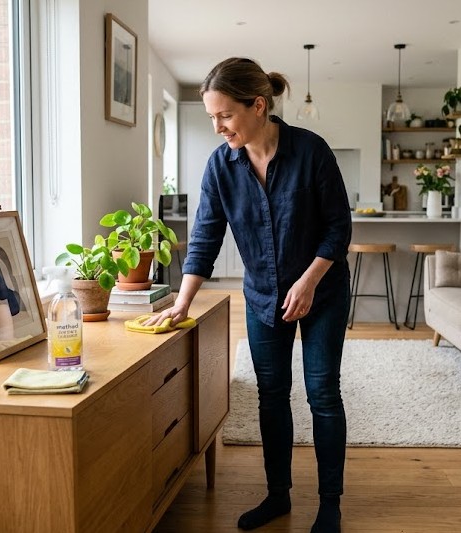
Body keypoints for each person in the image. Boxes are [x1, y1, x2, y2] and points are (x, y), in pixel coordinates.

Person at [145, 57, 352, 532]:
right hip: (261, 297)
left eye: (225, 116)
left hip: (321, 293)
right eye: (212, 118)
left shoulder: (311, 151)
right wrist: (182, 302)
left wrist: (308, 281)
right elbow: (205, 238)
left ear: (258, 106)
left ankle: (330, 505)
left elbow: (339, 229)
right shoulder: (221, 166)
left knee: (323, 393)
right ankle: (278, 496)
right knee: (271, 395)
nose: (218, 127)